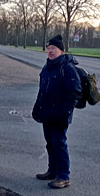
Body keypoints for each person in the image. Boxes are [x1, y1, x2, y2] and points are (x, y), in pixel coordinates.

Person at [31, 34, 82, 188]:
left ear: (61, 50)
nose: (50, 51)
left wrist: (65, 112)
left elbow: (75, 92)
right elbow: (42, 90)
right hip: (47, 113)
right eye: (48, 48)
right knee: (50, 143)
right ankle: (52, 171)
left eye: (53, 48)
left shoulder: (67, 68)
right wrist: (37, 108)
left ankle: (63, 177)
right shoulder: (47, 67)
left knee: (59, 144)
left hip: (60, 114)